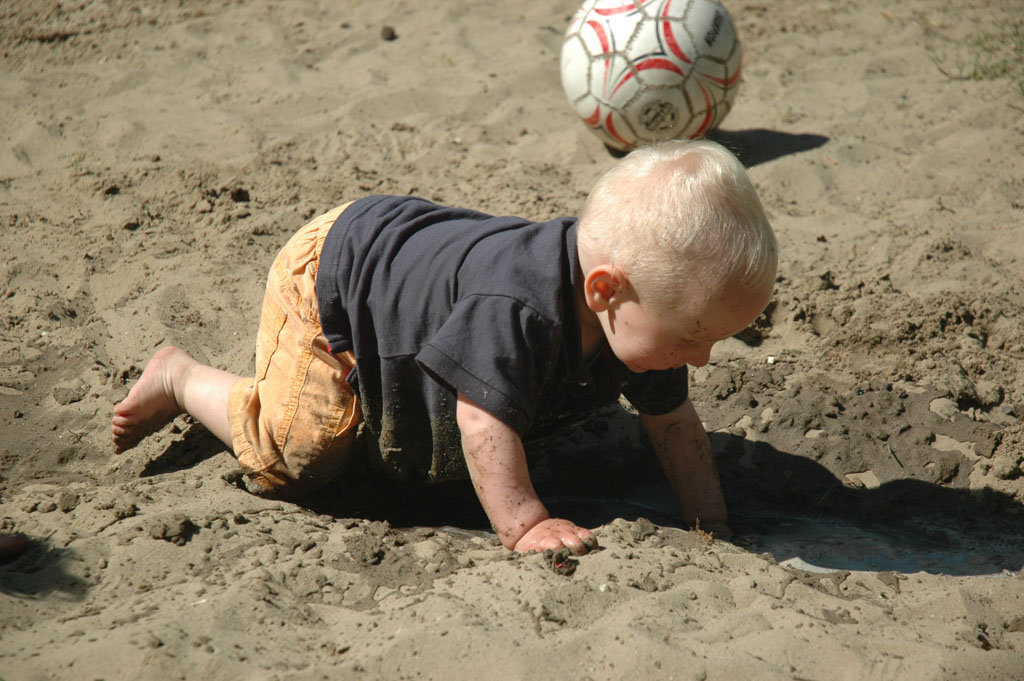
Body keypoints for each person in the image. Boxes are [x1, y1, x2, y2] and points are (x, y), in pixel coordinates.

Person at [112, 139, 777, 555]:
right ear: (605, 291)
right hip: (331, 283)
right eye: (693, 336)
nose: (702, 358)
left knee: (512, 398)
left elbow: (673, 422)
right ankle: (182, 378)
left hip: (411, 261)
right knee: (301, 452)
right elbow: (479, 418)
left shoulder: (634, 314)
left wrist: (709, 519)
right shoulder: (517, 310)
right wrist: (525, 524)